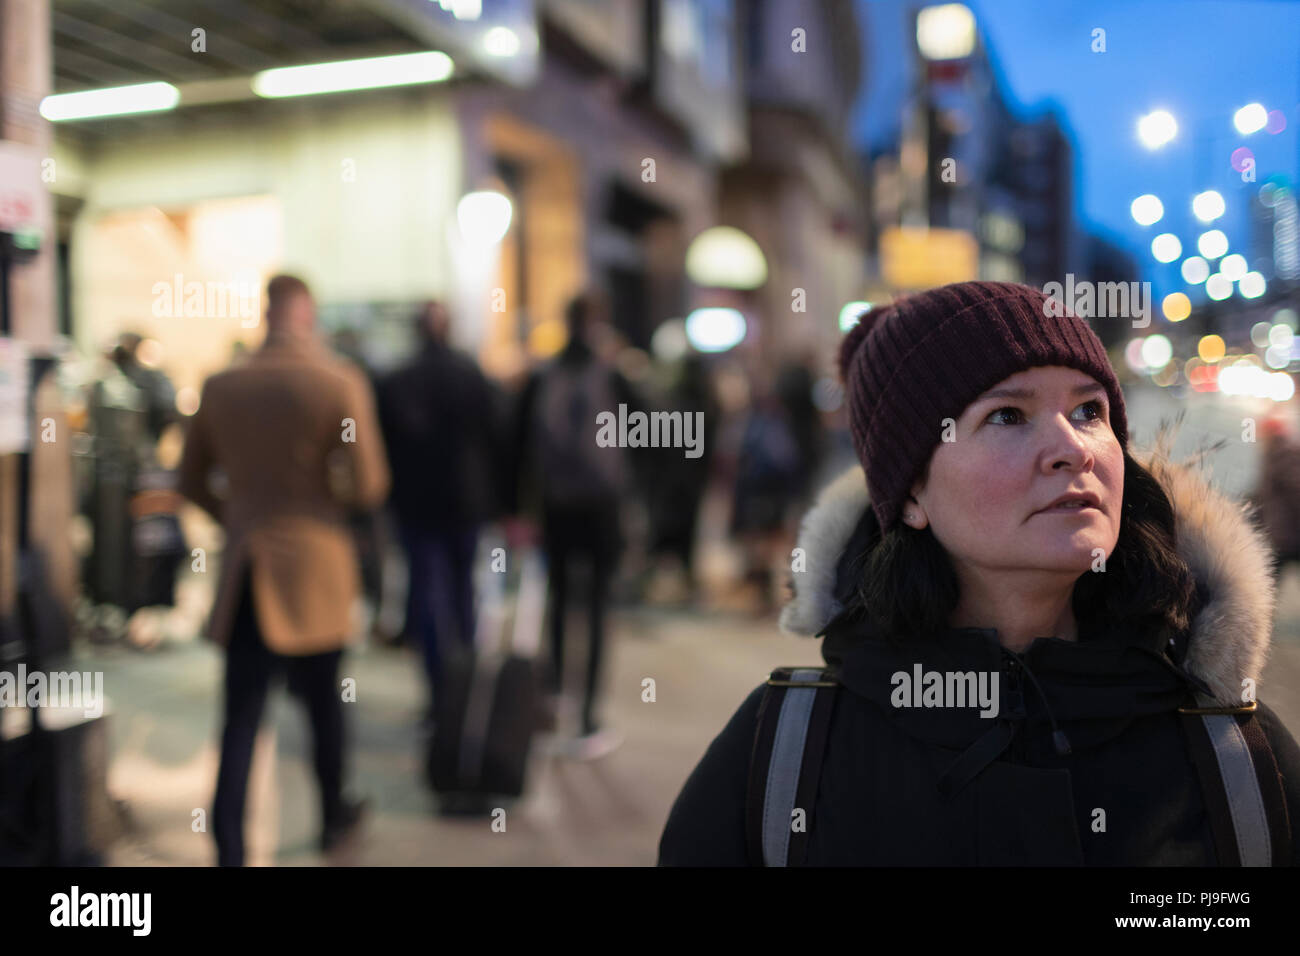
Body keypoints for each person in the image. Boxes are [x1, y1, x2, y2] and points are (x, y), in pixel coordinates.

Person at [659, 280, 1300, 866]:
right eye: (1007, 416)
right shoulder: (785, 759)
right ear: (910, 495)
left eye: (1089, 411)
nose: (1073, 448)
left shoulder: (1235, 759)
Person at [178, 274, 390, 866]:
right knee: (325, 709)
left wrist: (239, 516)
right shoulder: (336, 381)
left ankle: (229, 844)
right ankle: (331, 819)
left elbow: (189, 479)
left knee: (241, 719)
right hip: (318, 568)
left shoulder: (222, 385)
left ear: (266, 312)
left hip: (247, 570)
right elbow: (370, 482)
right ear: (307, 314)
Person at [512, 290, 635, 758]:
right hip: (603, 507)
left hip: (556, 505)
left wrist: (518, 508)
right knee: (599, 607)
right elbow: (651, 431)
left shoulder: (544, 375)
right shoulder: (613, 374)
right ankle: (589, 717)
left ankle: (556, 699)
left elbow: (518, 444)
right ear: (598, 323)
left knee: (560, 601)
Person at [376, 301, 505, 719]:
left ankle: (440, 694)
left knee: (430, 596)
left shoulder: (398, 380)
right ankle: (463, 688)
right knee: (464, 593)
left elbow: (383, 449)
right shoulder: (470, 374)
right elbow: (495, 438)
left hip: (418, 506)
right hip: (466, 503)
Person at [1251, 414, 1300, 586]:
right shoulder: (1274, 454)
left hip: (1287, 534)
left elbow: (1295, 490)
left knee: (1269, 580)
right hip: (1282, 533)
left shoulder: (1282, 454)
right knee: (1270, 580)